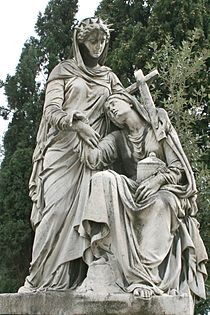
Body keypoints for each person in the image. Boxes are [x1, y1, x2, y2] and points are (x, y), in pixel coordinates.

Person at [18, 17, 126, 292]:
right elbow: (50, 111)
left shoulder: (110, 77)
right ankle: (39, 279)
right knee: (54, 214)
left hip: (94, 156)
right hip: (63, 152)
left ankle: (76, 282)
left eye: (102, 41)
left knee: (90, 219)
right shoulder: (62, 72)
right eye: (92, 41)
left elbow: (126, 110)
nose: (98, 46)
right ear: (80, 42)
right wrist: (74, 121)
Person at [78, 93, 208, 299]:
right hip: (133, 188)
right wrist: (82, 130)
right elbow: (94, 159)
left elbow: (178, 169)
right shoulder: (117, 138)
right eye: (107, 112)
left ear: (129, 101)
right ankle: (106, 255)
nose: (110, 110)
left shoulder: (157, 126)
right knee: (102, 179)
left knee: (161, 204)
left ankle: (146, 277)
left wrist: (156, 181)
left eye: (113, 103)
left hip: (165, 188)